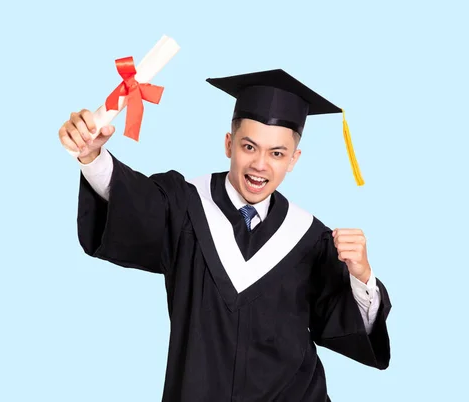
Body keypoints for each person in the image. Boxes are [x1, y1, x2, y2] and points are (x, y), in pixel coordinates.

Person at [59, 68, 391, 401]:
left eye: (277, 153)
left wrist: (361, 277)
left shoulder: (311, 238)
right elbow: (137, 203)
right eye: (249, 147)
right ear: (229, 144)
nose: (260, 164)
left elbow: (343, 327)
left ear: (293, 160)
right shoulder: (185, 206)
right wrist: (92, 156)